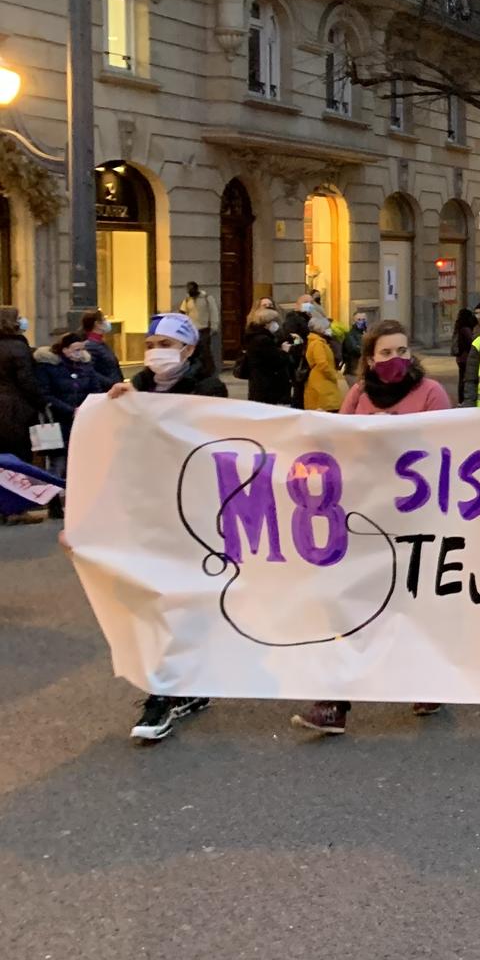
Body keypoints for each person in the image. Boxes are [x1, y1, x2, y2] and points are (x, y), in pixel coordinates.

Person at [292, 320, 455, 737]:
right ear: (369, 359)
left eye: (401, 350)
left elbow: (448, 446)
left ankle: (425, 677)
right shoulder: (360, 393)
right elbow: (340, 441)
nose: (395, 359)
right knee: (349, 603)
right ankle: (334, 702)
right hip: (364, 516)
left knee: (412, 603)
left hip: (414, 518)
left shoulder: (430, 394)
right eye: (385, 353)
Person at [103, 313, 226, 742]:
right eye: (151, 342)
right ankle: (177, 686)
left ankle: (166, 692)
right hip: (146, 513)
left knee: (180, 600)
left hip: (194, 513)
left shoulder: (209, 390)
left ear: (188, 350)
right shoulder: (132, 391)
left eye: (167, 344)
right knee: (151, 599)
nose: (157, 351)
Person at [0, 306, 47, 470]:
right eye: (19, 317)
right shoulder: (17, 347)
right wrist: (43, 402)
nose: (23, 320)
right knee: (19, 458)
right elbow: (27, 381)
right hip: (14, 411)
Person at [234, 305, 295, 406]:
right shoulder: (263, 339)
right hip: (266, 383)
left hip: (259, 381)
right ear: (266, 323)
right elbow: (275, 360)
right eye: (273, 321)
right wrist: (284, 351)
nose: (276, 324)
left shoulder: (254, 336)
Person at [179, 280, 220, 371]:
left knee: (205, 352)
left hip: (204, 329)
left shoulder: (207, 298)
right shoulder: (187, 299)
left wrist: (214, 326)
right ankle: (194, 370)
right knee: (191, 352)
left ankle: (209, 371)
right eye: (188, 290)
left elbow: (213, 312)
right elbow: (183, 312)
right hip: (191, 330)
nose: (190, 293)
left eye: (191, 290)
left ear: (196, 289)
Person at [450, 306, 479, 404]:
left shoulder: (459, 327)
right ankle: (462, 399)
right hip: (465, 358)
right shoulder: (465, 329)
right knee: (465, 379)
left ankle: (461, 399)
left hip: (460, 358)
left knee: (462, 378)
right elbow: (471, 342)